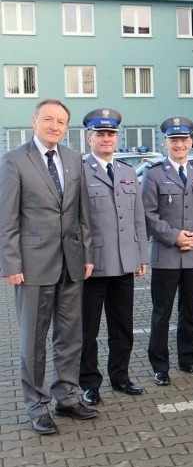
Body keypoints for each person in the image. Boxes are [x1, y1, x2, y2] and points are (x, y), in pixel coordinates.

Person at [0, 99, 96, 435]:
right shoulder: (14, 161)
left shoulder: (73, 159)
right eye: (48, 119)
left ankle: (67, 396)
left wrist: (86, 255)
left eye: (60, 122)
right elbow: (7, 219)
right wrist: (10, 263)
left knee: (69, 337)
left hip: (70, 264)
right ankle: (37, 406)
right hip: (32, 266)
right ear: (34, 121)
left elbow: (82, 215)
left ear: (67, 127)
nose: (54, 126)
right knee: (33, 341)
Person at [79, 108, 149, 405]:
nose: (106, 139)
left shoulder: (127, 172)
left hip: (124, 264)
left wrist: (141, 256)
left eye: (111, 134)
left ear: (117, 138)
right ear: (89, 138)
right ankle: (89, 383)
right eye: (100, 134)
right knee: (88, 330)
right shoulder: (80, 172)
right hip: (92, 266)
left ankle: (120, 377)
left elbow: (137, 218)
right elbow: (75, 221)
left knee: (122, 327)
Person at [141, 116, 193, 386]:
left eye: (183, 140)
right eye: (174, 140)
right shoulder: (153, 174)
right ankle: (160, 366)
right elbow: (148, 213)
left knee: (189, 311)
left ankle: (188, 359)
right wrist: (175, 237)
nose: (179, 144)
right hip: (166, 256)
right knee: (161, 313)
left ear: (191, 143)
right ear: (165, 143)